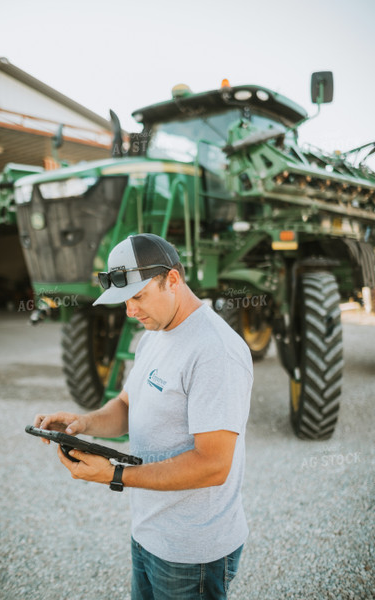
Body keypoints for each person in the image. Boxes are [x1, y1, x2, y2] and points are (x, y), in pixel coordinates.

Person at [34, 233, 253, 600]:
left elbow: (214, 464)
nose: (130, 311)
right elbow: (126, 405)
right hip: (147, 533)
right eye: (124, 300)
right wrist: (81, 423)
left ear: (172, 280)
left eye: (137, 296)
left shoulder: (216, 351)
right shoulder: (155, 333)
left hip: (191, 552)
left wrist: (116, 475)